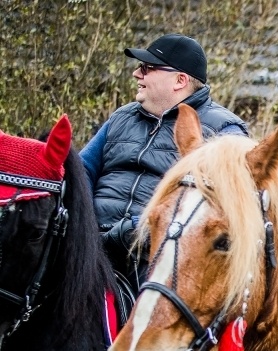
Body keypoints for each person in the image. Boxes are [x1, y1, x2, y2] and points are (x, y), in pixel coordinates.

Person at [80, 33, 249, 287]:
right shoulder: (121, 117)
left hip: (157, 257)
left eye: (147, 68)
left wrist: (140, 229)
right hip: (90, 243)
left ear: (179, 80)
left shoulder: (225, 131)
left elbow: (224, 205)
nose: (137, 74)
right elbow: (80, 172)